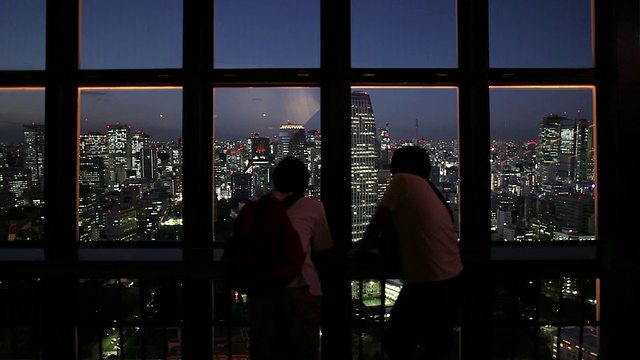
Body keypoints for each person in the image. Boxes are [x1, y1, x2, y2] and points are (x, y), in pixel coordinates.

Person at [350, 146, 465, 360]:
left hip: (427, 282)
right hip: (452, 281)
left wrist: (361, 252)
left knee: (394, 343)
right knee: (437, 348)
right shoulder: (434, 193)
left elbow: (378, 222)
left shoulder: (402, 181)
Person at [248, 156, 334, 360]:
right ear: (305, 182)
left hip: (262, 290)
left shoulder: (259, 206)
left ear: (275, 180)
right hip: (300, 288)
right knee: (303, 351)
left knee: (264, 351)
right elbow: (324, 249)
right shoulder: (313, 206)